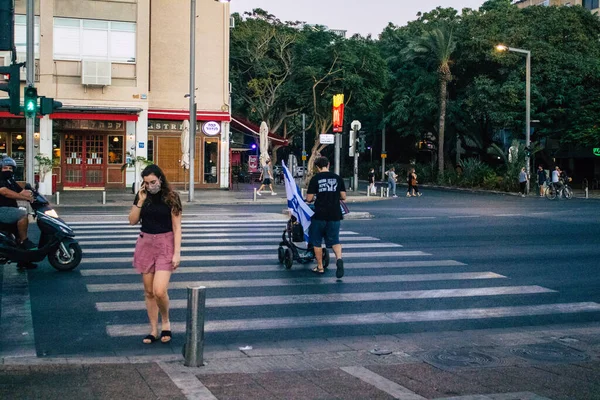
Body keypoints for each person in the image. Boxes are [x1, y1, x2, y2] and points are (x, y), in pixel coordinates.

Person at [129, 164, 182, 345]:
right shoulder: (142, 196)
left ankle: (165, 321)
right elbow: (132, 221)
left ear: (160, 178)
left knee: (159, 290)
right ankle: (153, 329)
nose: (150, 185)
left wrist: (177, 253)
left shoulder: (172, 197)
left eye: (153, 181)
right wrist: (140, 201)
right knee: (149, 292)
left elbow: (177, 227)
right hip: (146, 243)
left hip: (165, 243)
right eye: (146, 183)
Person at [306, 156, 346, 278]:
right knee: (335, 240)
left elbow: (309, 199)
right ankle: (339, 259)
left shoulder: (315, 179)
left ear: (317, 167)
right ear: (328, 165)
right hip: (335, 214)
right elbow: (343, 197)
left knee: (317, 241)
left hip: (319, 214)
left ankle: (320, 267)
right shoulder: (338, 178)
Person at [0, 156, 36, 250]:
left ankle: (24, 260)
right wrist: (26, 198)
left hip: (9, 210)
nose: (8, 170)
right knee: (22, 215)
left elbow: (21, 191)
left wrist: (35, 195)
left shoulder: (10, 180)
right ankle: (25, 241)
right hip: (2, 209)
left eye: (10, 168)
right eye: (5, 168)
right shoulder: (0, 179)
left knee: (17, 233)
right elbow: (5, 192)